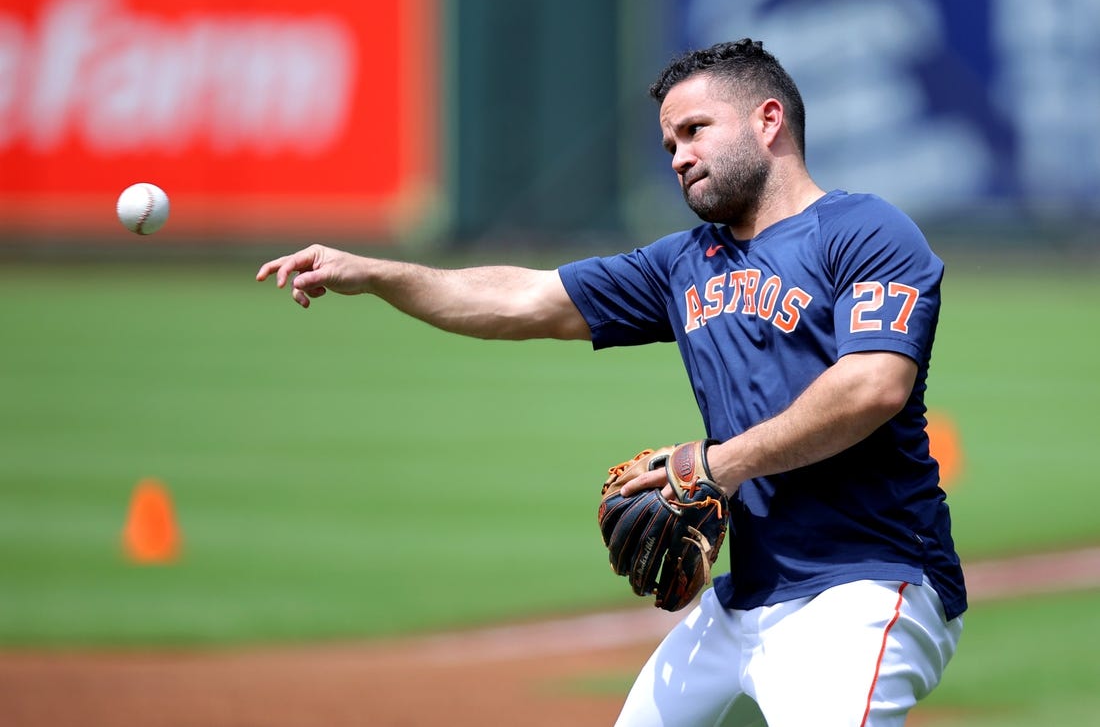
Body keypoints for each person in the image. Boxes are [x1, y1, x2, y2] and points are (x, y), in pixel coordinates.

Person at [257, 38, 965, 727]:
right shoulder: (688, 261)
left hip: (869, 582)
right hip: (746, 594)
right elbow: (520, 299)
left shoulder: (864, 231)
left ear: (768, 120)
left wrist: (716, 465)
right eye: (668, 146)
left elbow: (874, 384)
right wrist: (384, 275)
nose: (680, 157)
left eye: (694, 131)